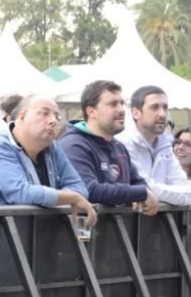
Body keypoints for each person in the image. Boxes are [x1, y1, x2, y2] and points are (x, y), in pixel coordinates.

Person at [0, 95, 97, 224]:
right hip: (2, 238)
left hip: (42, 237)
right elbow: (21, 193)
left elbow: (79, 187)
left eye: (57, 116)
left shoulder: (52, 146)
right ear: (22, 117)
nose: (53, 120)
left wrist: (68, 197)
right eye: (44, 113)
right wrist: (71, 197)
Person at [58, 80, 161, 212]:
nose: (122, 110)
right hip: (84, 230)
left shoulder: (119, 147)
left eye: (122, 103)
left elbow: (138, 182)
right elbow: (88, 190)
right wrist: (139, 193)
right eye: (113, 104)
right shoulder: (73, 145)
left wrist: (139, 193)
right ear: (91, 112)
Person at [116, 85, 191, 204]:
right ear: (135, 113)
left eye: (165, 108)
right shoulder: (122, 142)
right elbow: (142, 188)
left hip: (159, 220)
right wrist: (146, 192)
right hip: (129, 220)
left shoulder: (165, 143)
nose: (162, 114)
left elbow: (187, 195)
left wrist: (150, 191)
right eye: (154, 107)